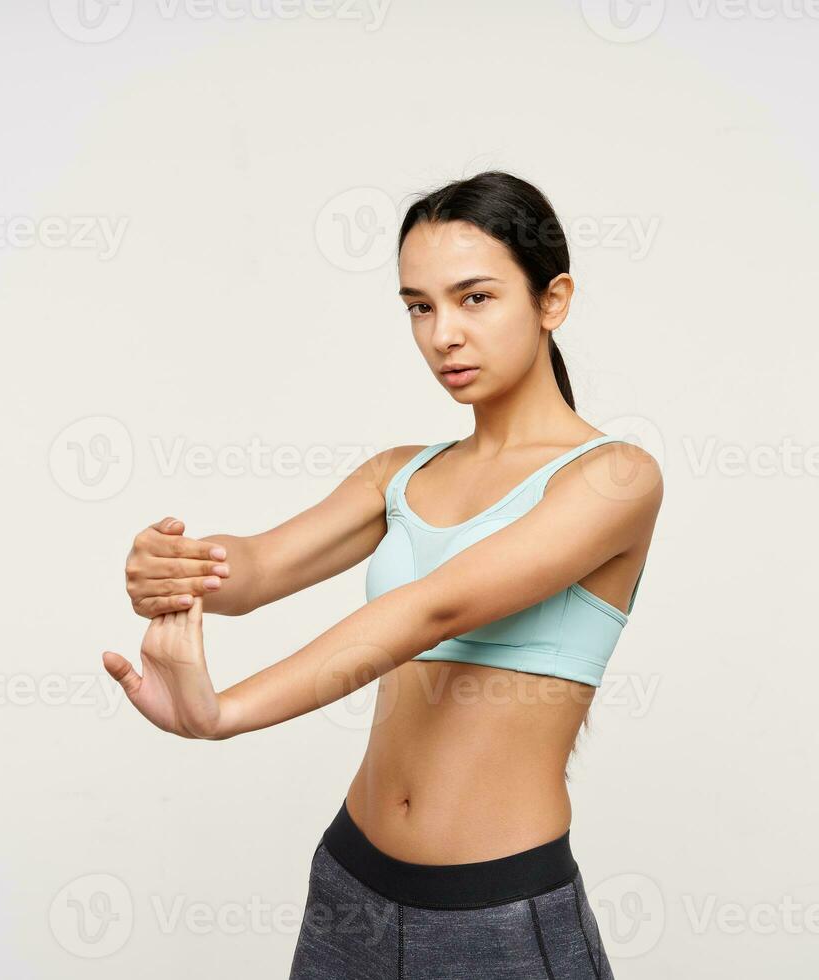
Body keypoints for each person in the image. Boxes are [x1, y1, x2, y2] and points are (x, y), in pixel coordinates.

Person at [103, 170, 662, 978]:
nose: (443, 335)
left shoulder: (615, 478)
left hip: (498, 915)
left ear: (553, 300)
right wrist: (170, 570)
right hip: (349, 887)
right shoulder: (398, 475)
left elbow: (431, 611)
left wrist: (223, 713)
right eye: (419, 306)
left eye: (475, 298)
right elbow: (254, 568)